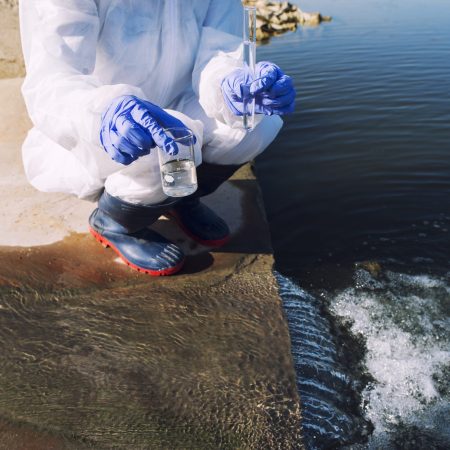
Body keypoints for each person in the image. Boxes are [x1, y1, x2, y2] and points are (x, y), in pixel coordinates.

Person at [19, 0, 296, 276]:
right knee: (161, 143)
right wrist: (103, 112)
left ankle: (180, 199)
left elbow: (220, 52)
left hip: (179, 102)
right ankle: (116, 221)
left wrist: (233, 85)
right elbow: (51, 80)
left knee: (255, 123)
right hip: (101, 122)